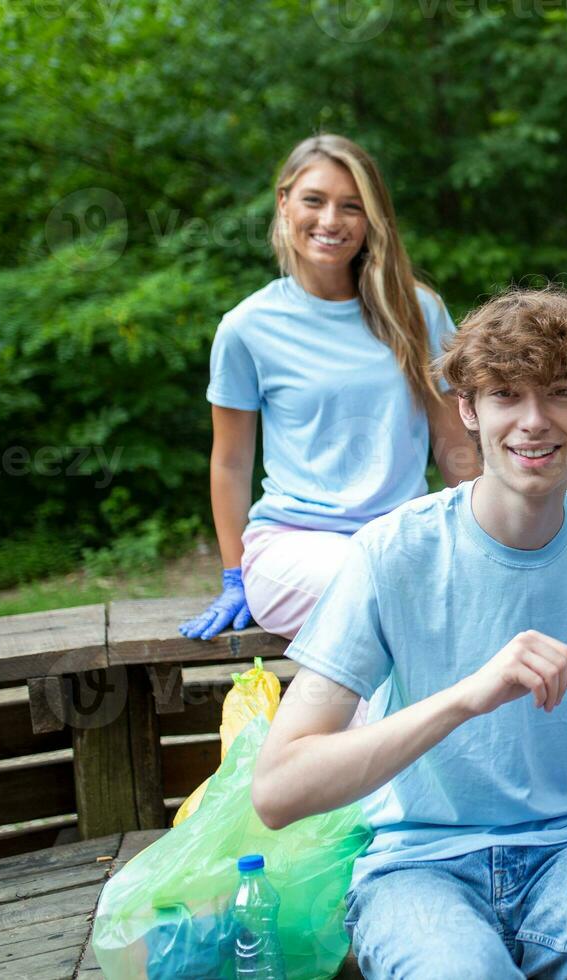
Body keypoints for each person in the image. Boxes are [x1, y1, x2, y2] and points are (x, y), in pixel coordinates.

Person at [251, 286, 567, 979]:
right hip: (417, 864)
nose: (535, 422)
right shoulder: (392, 552)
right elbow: (278, 791)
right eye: (507, 395)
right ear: (468, 409)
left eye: (561, 394)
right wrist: (469, 695)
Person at [178, 133, 477, 642]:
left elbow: (454, 444)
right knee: (372, 590)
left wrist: (482, 536)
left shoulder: (417, 310)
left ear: (371, 220)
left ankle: (330, 727)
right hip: (294, 548)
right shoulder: (247, 327)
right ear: (283, 202)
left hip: (402, 540)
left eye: (351, 206)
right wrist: (234, 574)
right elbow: (229, 463)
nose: (331, 221)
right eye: (314, 200)